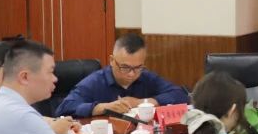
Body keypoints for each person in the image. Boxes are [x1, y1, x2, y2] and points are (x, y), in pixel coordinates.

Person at [55, 34, 188, 117]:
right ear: (112, 60)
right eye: (125, 67)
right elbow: (64, 108)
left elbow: (180, 95)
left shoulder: (146, 77)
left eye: (138, 67)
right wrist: (102, 107)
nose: (132, 74)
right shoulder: (95, 82)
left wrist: (141, 102)